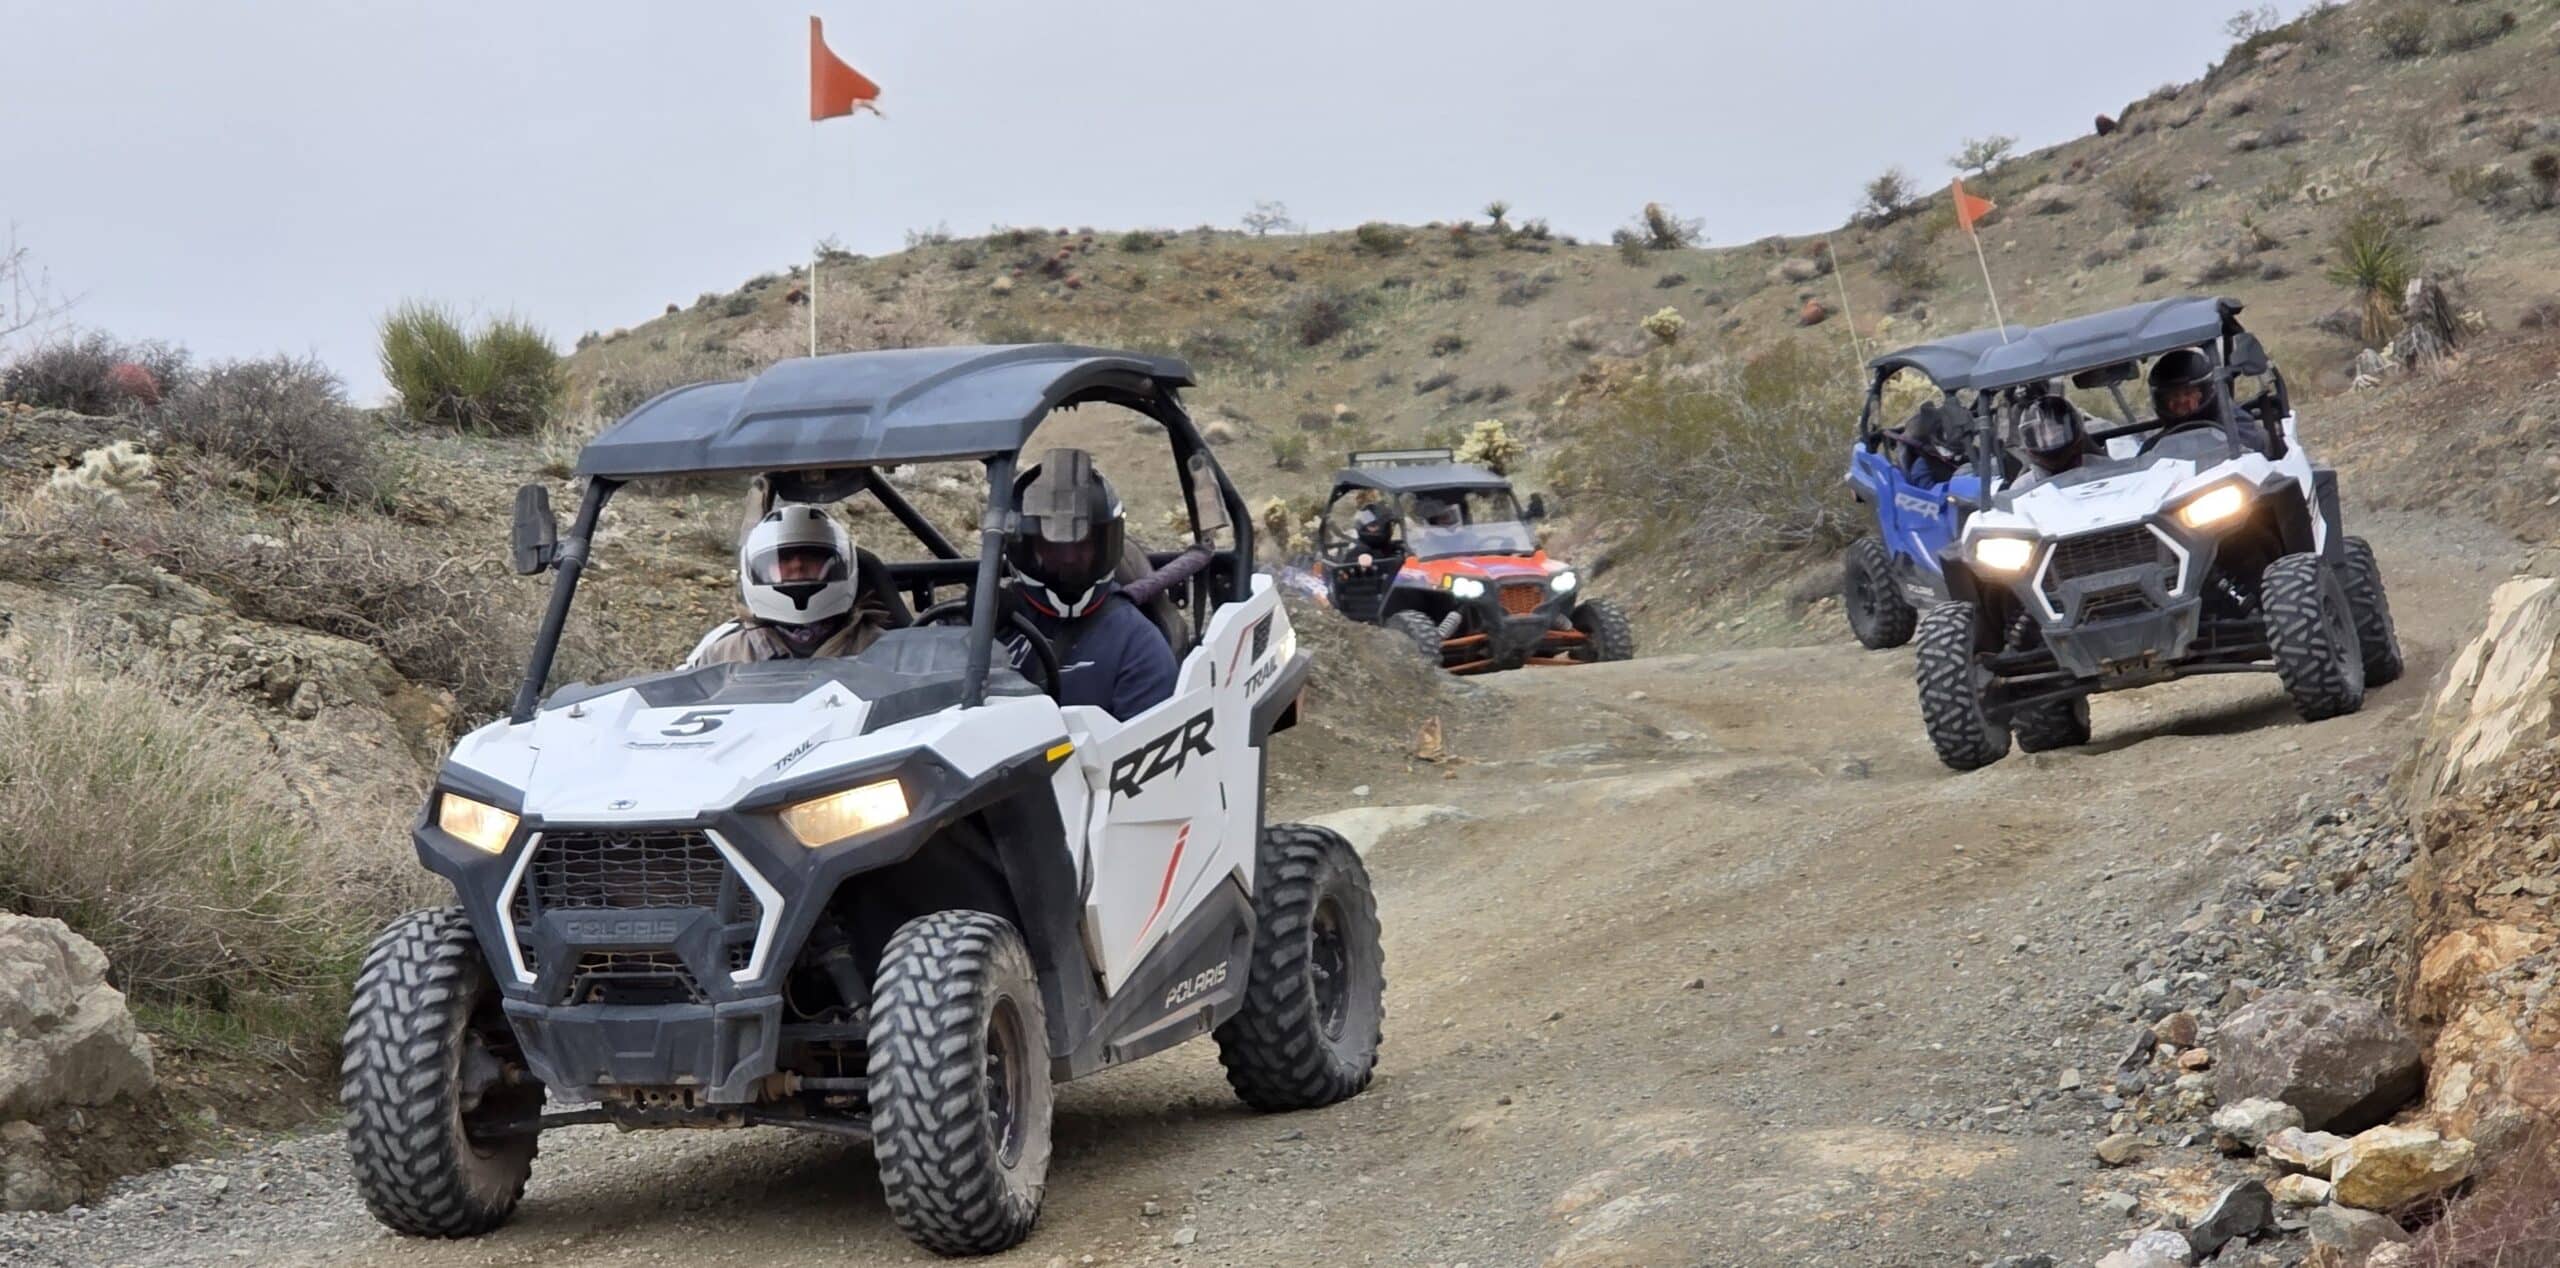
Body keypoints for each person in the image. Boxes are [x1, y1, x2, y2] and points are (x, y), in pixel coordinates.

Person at [1002, 448, 1177, 722]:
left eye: (1082, 543)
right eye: (1052, 544)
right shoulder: (987, 627)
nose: (1069, 558)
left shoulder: (1137, 645)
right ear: (1026, 546)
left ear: (1104, 545)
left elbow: (1142, 756)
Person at [684, 504, 891, 667]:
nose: (798, 566)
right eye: (783, 559)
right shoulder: (721, 655)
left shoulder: (884, 650)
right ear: (756, 570)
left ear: (841, 566)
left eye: (811, 557)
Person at [2011, 393, 2097, 488]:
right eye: (2041, 433)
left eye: (2056, 430)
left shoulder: (2102, 469)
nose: (2050, 438)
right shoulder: (2022, 488)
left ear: (2074, 429)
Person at [2149, 349, 2216, 425]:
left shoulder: (2228, 426)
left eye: (2188, 393)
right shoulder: (2165, 437)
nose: (2182, 400)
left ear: (2201, 394)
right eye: (2174, 396)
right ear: (2163, 402)